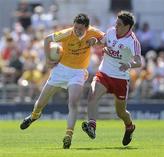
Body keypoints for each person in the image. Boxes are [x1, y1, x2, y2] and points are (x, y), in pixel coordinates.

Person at [20, 13, 104, 149]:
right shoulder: (66, 33)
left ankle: (68, 136)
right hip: (61, 70)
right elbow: (47, 40)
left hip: (78, 72)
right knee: (41, 102)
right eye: (75, 28)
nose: (76, 31)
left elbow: (108, 40)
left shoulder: (93, 32)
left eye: (80, 29)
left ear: (87, 28)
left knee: (73, 102)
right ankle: (34, 116)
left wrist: (96, 41)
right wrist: (48, 59)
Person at [81, 10, 142, 146]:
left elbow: (139, 62)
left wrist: (129, 64)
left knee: (120, 112)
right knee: (92, 96)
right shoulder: (110, 32)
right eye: (116, 23)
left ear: (128, 26)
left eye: (119, 24)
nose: (116, 27)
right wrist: (94, 41)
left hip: (120, 79)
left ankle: (129, 126)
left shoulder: (133, 42)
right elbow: (101, 42)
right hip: (104, 73)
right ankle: (92, 126)